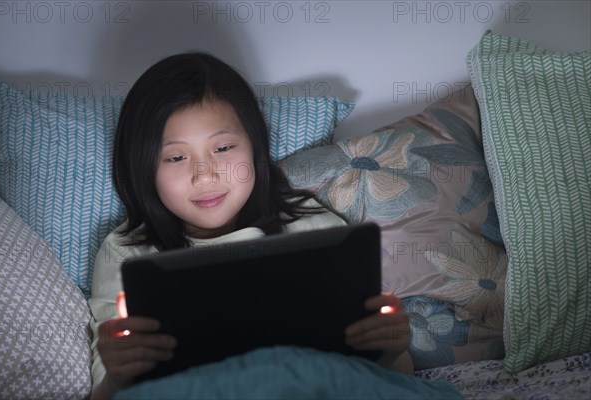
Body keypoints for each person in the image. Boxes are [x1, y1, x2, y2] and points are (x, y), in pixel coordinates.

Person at [88, 52, 412, 399]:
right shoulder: (127, 253)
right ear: (142, 167)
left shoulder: (316, 232)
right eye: (176, 157)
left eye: (223, 148)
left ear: (255, 148)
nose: (205, 174)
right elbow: (107, 387)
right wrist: (117, 379)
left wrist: (392, 350)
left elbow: (393, 376)